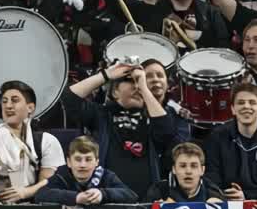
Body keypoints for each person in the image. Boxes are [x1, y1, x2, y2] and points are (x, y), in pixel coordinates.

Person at [66, 61, 180, 197]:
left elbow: (166, 133)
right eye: (131, 81)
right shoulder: (101, 114)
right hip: (106, 200)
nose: (137, 86)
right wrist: (106, 74)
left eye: (140, 82)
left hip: (146, 201)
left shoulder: (153, 118)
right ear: (115, 91)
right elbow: (69, 98)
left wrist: (143, 88)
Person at [0, 81, 65, 202]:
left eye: (15, 100)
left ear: (30, 108)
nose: (8, 106)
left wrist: (25, 192)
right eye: (4, 101)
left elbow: (50, 183)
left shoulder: (46, 141)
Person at [201, 83, 257, 200]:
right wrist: (223, 196)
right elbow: (212, 178)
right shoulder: (217, 136)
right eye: (241, 103)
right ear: (232, 109)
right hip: (226, 201)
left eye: (252, 102)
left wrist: (247, 197)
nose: (246, 107)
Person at [34, 136, 139, 205]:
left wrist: (103, 194)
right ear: (69, 162)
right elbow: (41, 195)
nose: (83, 165)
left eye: (88, 159)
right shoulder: (61, 176)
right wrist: (76, 197)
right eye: (78, 159)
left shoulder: (106, 176)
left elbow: (131, 195)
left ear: (97, 162)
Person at [144, 142, 223, 202]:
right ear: (174, 169)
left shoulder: (214, 195)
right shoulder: (159, 191)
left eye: (193, 166)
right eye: (183, 166)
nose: (188, 171)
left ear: (202, 170)